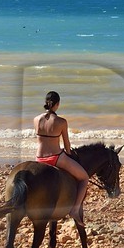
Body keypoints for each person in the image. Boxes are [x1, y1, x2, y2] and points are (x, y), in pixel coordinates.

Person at [34, 91, 90, 220]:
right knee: (84, 178)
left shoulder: (36, 119)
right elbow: (66, 144)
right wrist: (70, 155)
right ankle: (75, 210)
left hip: (39, 158)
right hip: (55, 158)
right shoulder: (61, 122)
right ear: (57, 104)